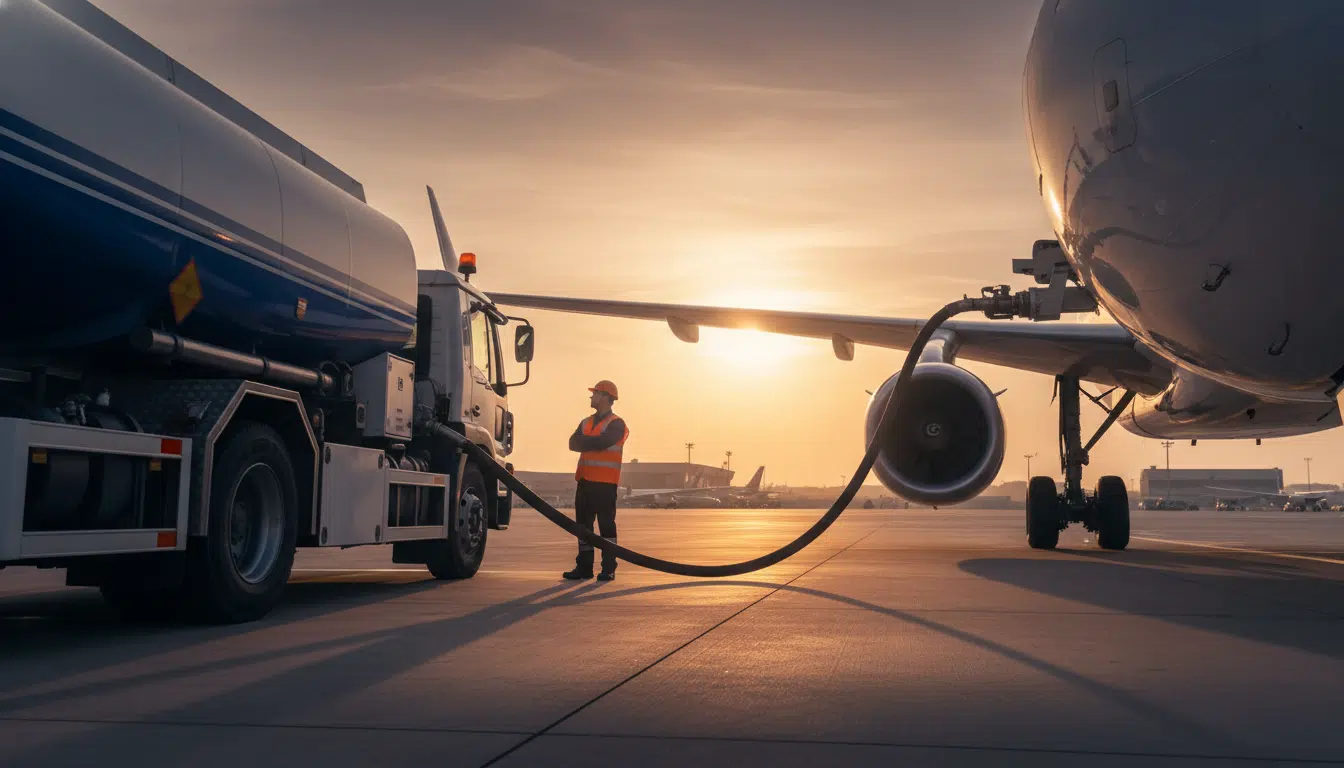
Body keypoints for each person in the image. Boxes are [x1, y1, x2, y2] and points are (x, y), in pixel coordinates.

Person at [563, 380, 629, 581]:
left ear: (605, 397)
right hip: (584, 482)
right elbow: (572, 443)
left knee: (606, 527)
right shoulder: (585, 422)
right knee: (583, 528)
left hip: (605, 483)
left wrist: (587, 442)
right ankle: (584, 567)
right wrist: (593, 443)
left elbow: (604, 442)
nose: (591, 397)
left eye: (595, 394)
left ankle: (608, 568)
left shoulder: (617, 424)